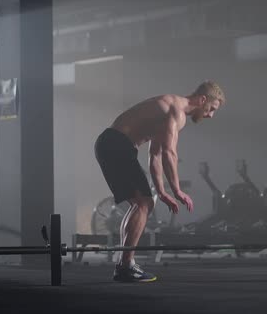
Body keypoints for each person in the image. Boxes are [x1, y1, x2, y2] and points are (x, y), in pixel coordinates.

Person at [94, 80, 225, 282]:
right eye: (212, 109)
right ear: (203, 99)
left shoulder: (168, 111)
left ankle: (124, 263)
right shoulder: (176, 111)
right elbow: (169, 153)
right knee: (143, 204)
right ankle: (125, 266)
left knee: (141, 203)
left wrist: (162, 192)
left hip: (111, 144)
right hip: (116, 144)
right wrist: (178, 190)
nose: (211, 115)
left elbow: (154, 155)